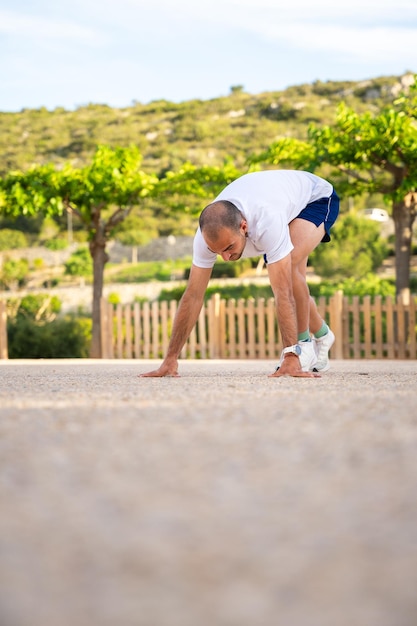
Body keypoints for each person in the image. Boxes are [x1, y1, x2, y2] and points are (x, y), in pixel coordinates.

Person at [140, 169, 339, 379]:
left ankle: (302, 348)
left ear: (244, 226)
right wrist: (170, 359)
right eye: (218, 252)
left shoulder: (266, 220)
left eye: (229, 247)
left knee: (288, 271)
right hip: (281, 198)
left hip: (315, 198)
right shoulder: (204, 239)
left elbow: (283, 292)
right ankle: (323, 335)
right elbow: (193, 295)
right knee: (288, 269)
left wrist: (290, 354)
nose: (225, 258)